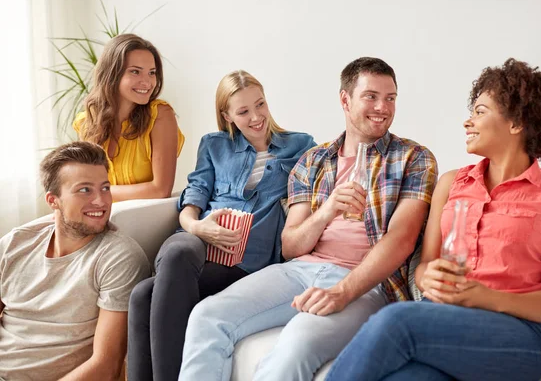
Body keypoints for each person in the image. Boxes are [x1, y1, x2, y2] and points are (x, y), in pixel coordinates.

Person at [325, 58, 541, 381]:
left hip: (518, 337)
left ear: (516, 122)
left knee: (394, 322)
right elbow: (425, 268)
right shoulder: (451, 184)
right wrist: (427, 277)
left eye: (480, 111)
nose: (468, 122)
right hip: (444, 322)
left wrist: (484, 296)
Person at [178, 57, 439, 381]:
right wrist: (328, 210)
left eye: (390, 98)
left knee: (297, 341)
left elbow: (401, 241)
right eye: (371, 96)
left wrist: (342, 291)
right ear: (345, 99)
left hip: (366, 284)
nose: (382, 107)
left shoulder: (413, 158)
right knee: (207, 316)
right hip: (299, 270)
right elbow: (290, 246)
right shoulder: (314, 160)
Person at [126, 70, 316, 381]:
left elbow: (324, 181)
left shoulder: (300, 145)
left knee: (142, 296)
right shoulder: (213, 145)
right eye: (243, 111)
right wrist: (199, 227)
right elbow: (192, 201)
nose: (256, 117)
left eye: (260, 105)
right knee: (177, 254)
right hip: (197, 242)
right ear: (226, 115)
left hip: (245, 264)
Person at [0, 141, 150, 381]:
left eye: (105, 188)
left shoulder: (117, 257)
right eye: (85, 190)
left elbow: (106, 366)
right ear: (53, 200)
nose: (101, 202)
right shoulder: (14, 245)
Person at [73, 33, 185, 201]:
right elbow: (82, 185)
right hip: (99, 214)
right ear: (112, 74)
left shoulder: (160, 115)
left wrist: (97, 191)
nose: (147, 82)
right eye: (135, 72)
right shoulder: (86, 121)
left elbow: (160, 190)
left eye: (151, 72)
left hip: (139, 217)